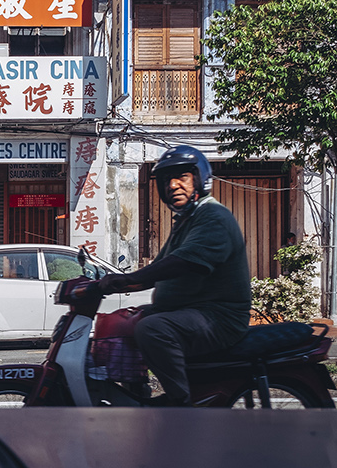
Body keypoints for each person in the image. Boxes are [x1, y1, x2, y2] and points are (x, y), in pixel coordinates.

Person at [88, 145, 251, 406]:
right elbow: (157, 271)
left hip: (218, 317)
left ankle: (180, 402)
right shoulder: (186, 221)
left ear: (199, 179)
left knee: (153, 330)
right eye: (167, 180)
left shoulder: (213, 216)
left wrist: (127, 281)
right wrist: (108, 282)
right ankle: (137, 392)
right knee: (123, 321)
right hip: (191, 312)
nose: (173, 185)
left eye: (182, 178)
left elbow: (182, 263)